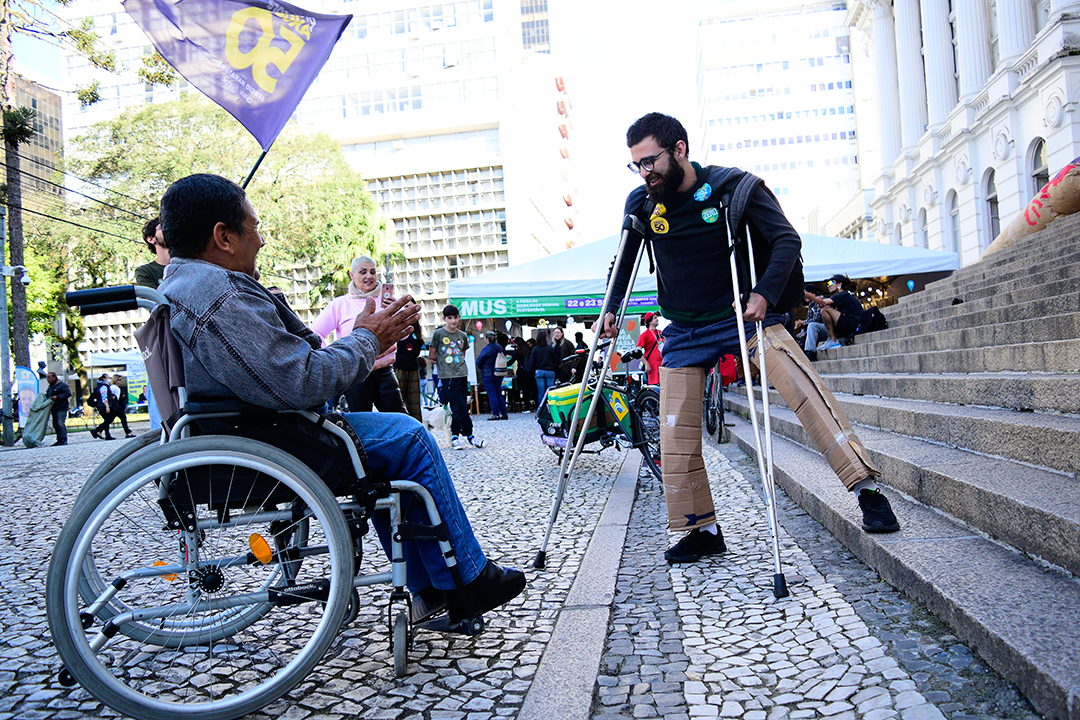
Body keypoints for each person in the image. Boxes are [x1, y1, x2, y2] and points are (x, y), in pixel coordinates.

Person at [157, 173, 523, 624]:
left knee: (396, 438)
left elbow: (289, 360)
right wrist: (368, 339)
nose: (262, 239)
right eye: (254, 227)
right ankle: (466, 580)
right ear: (224, 237)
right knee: (409, 437)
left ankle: (434, 587)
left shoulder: (186, 283)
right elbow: (302, 379)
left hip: (246, 427)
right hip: (270, 439)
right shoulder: (219, 293)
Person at [596, 113, 899, 564]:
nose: (645, 172)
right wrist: (611, 305)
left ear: (679, 149)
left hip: (743, 315)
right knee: (674, 432)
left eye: (651, 161)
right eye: (637, 165)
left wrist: (764, 294)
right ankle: (701, 529)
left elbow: (786, 241)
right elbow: (624, 259)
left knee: (804, 391)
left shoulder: (734, 187)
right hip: (684, 328)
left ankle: (867, 490)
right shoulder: (642, 202)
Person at [311, 256, 408, 415]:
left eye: (373, 272)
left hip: (384, 369)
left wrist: (397, 316)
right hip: (355, 371)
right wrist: (334, 357)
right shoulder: (340, 304)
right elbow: (315, 333)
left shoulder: (389, 301)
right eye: (363, 272)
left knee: (400, 417)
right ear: (352, 275)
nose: (369, 276)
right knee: (361, 418)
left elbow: (403, 337)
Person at [430, 305, 486, 449]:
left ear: (459, 317)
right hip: (447, 376)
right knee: (458, 405)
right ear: (444, 319)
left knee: (460, 405)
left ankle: (455, 437)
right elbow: (432, 355)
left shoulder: (462, 335)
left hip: (462, 373)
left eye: (455, 317)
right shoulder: (438, 334)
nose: (453, 321)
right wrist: (444, 364)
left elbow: (462, 354)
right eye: (449, 318)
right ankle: (470, 435)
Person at [816, 274, 863, 350]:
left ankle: (833, 340)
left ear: (839, 284)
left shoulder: (843, 294)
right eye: (827, 284)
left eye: (831, 283)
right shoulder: (845, 295)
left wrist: (816, 299)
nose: (828, 285)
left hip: (853, 324)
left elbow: (823, 303)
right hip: (854, 324)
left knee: (825, 310)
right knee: (826, 309)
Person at [395, 322, 425, 422]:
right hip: (398, 367)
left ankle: (415, 427)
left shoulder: (416, 331)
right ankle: (398, 426)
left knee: (414, 404)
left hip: (413, 369)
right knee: (398, 402)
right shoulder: (397, 328)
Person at [476, 331, 508, 421]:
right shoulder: (500, 348)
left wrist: (481, 368)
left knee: (492, 394)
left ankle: (495, 413)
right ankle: (504, 413)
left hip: (487, 374)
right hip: (499, 373)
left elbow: (479, 361)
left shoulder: (486, 349)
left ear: (487, 339)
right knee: (498, 393)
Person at [134, 217, 170, 289]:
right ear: (151, 239)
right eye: (162, 227)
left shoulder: (188, 264)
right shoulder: (145, 271)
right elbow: (153, 295)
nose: (168, 229)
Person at [530, 330, 558, 408]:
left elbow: (532, 362)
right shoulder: (550, 348)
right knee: (550, 392)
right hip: (550, 371)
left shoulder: (535, 349)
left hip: (539, 371)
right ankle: (552, 408)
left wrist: (534, 370)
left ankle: (541, 409)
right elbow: (555, 360)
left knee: (541, 392)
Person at [44, 372, 70, 446]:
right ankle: (59, 440)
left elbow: (68, 394)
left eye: (49, 377)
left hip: (61, 407)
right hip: (54, 408)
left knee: (60, 423)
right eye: (47, 377)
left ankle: (63, 440)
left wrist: (57, 397)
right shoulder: (50, 387)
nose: (47, 379)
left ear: (54, 377)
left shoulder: (62, 385)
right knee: (56, 424)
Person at [636, 311, 662, 385]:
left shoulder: (661, 333)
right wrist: (646, 364)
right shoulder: (644, 335)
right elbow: (638, 351)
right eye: (655, 318)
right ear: (650, 322)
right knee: (655, 387)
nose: (657, 319)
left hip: (663, 365)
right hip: (652, 366)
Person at [90, 373, 116, 440]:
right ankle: (105, 433)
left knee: (107, 420)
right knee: (108, 420)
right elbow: (104, 398)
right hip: (103, 405)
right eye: (107, 378)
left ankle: (98, 431)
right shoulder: (103, 387)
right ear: (104, 379)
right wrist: (107, 407)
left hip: (100, 405)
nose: (109, 379)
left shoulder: (99, 386)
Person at [109, 374, 136, 438]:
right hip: (115, 406)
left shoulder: (117, 387)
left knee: (110, 419)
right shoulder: (113, 387)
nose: (120, 381)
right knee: (122, 418)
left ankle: (98, 430)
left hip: (117, 405)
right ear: (116, 380)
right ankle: (128, 433)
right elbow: (111, 396)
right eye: (119, 379)